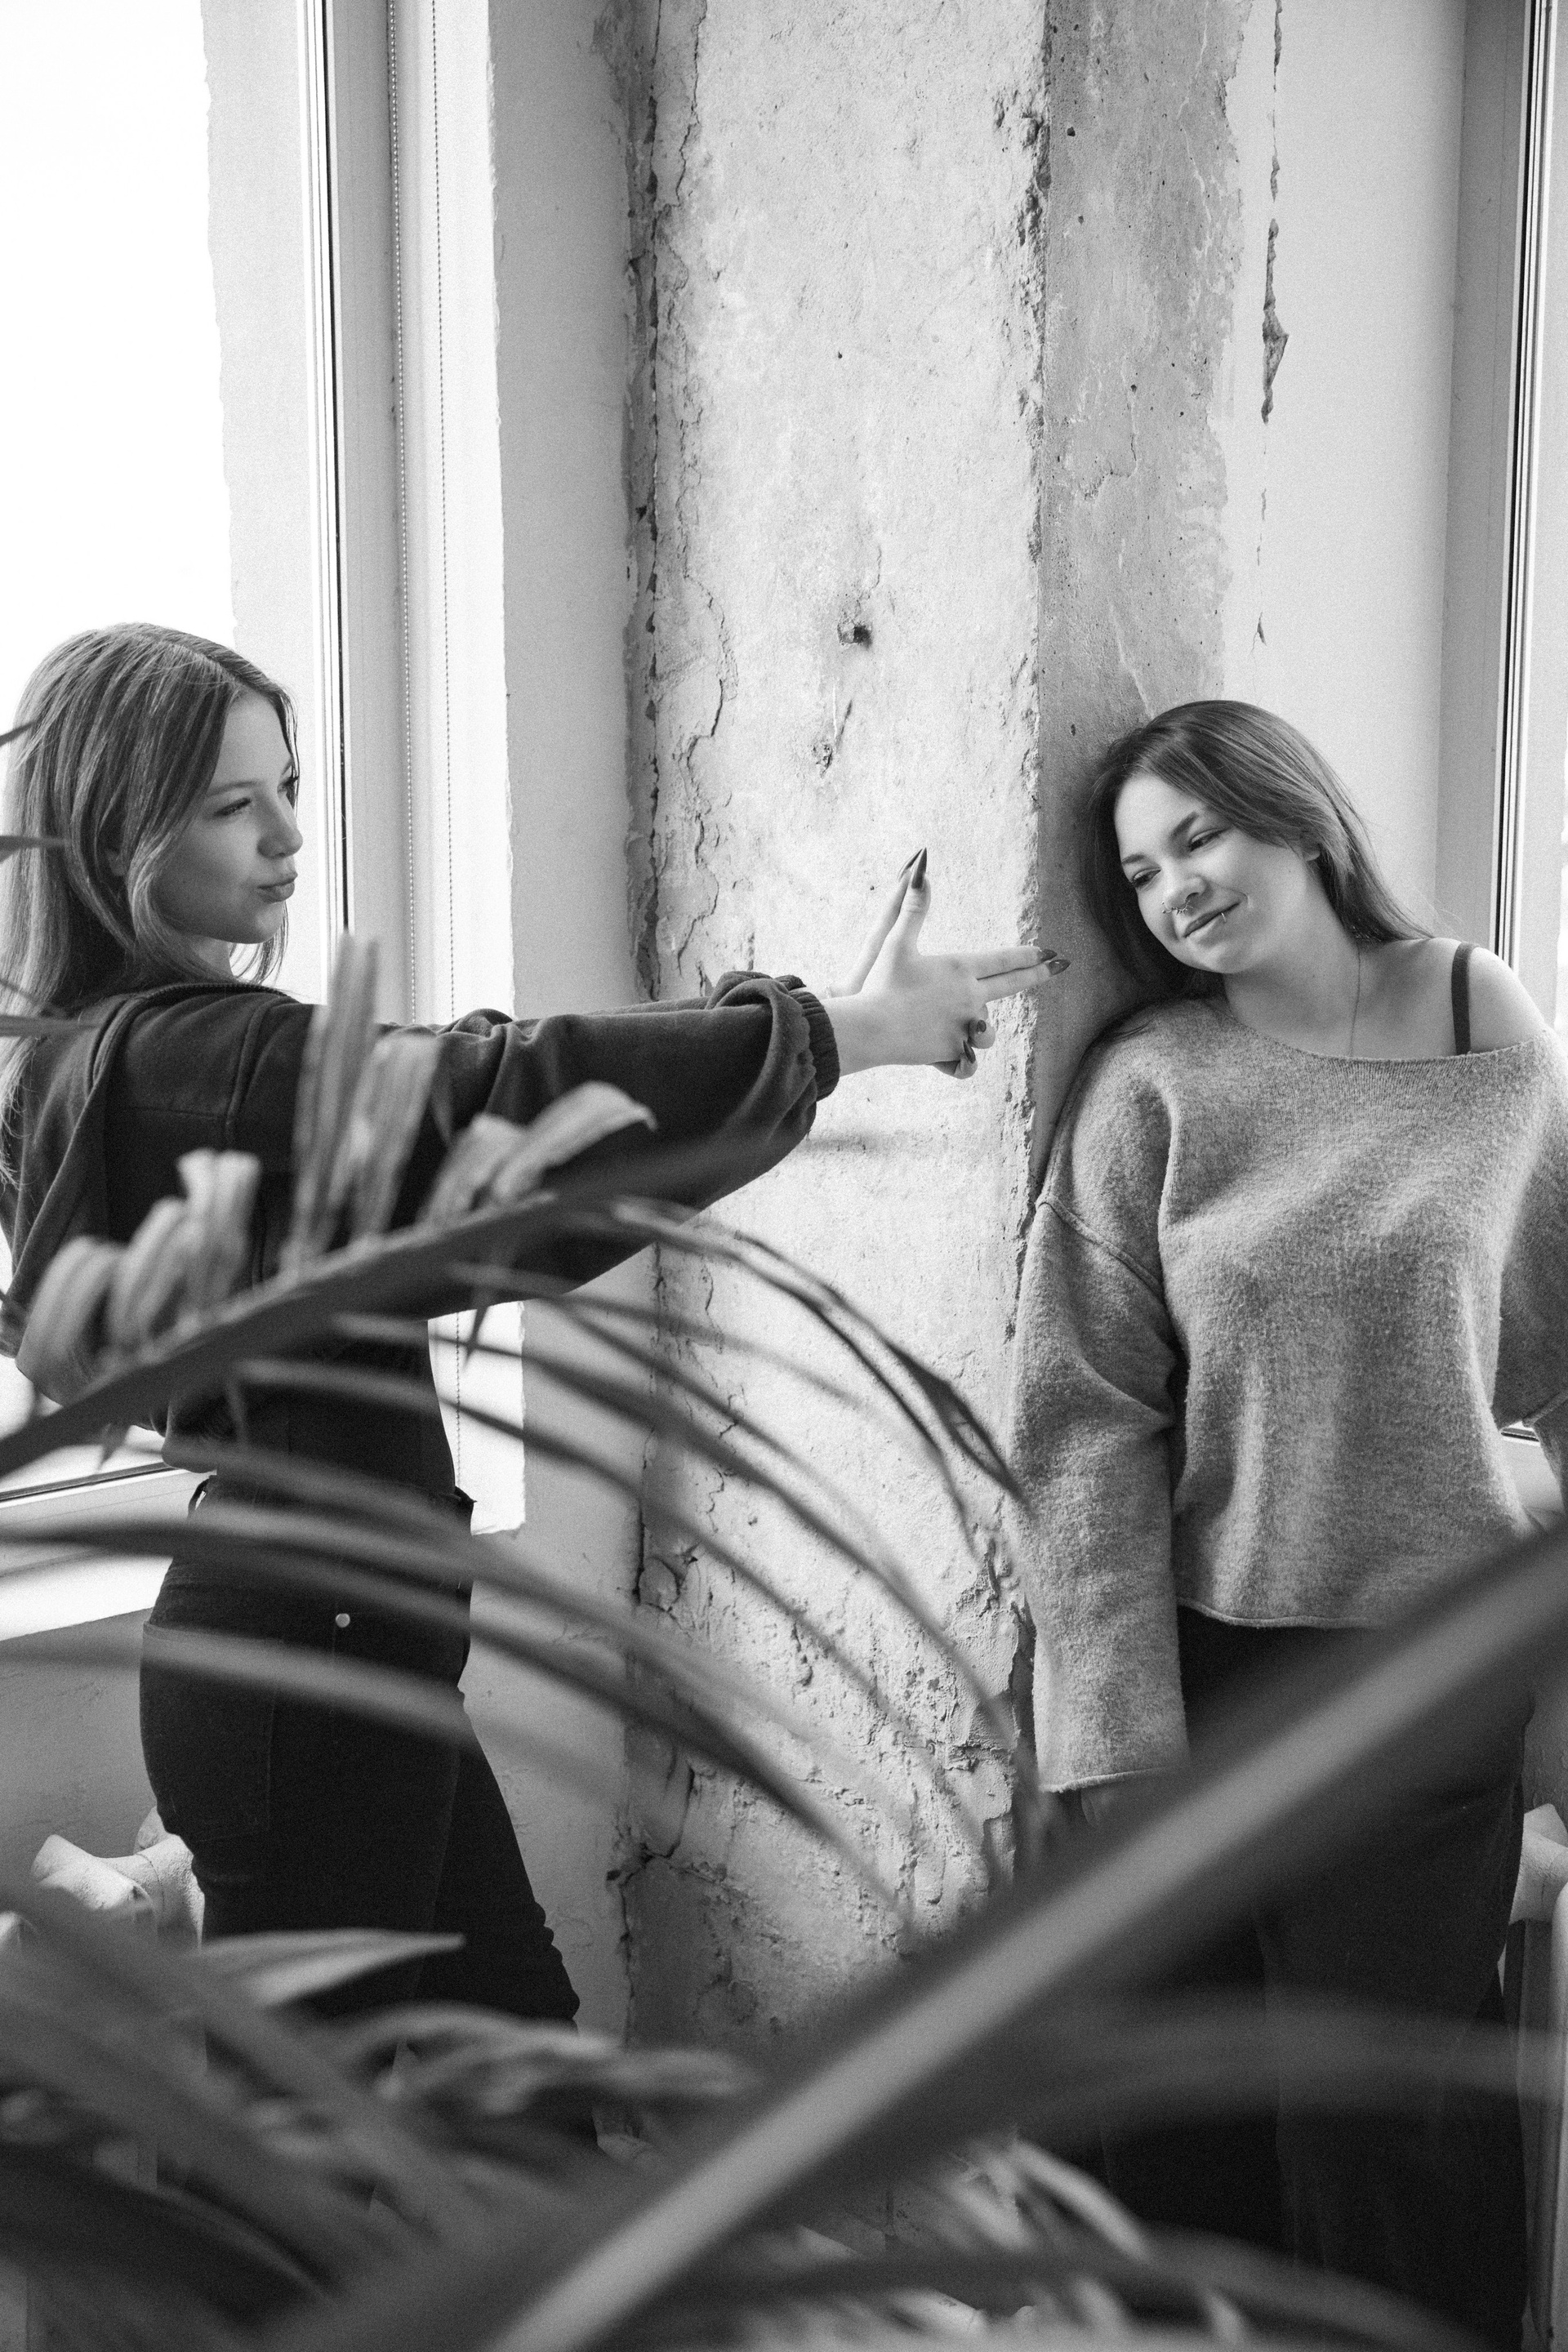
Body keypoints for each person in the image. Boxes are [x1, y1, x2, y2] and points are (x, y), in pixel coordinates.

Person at [0, 621, 1060, 2028]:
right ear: (114, 834)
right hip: (313, 1661)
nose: (289, 836)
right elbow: (500, 1105)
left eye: (289, 786)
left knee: (518, 2070)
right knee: (344, 2130)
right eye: (229, 805)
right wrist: (838, 1034)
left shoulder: (108, 1061)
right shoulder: (197, 1063)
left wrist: (819, 1030)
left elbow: (470, 1088)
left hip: (333, 1645)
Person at [1006, 698, 1568, 2347]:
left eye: (1201, 836)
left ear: (1298, 818)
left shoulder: (1479, 1018)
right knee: (1182, 2143)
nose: (1176, 887)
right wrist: (1119, 1747)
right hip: (1206, 1677)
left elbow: (1560, 1355)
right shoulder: (1152, 1088)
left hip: (1427, 1683)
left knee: (1385, 2137)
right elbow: (1081, 1427)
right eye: (1140, 871)